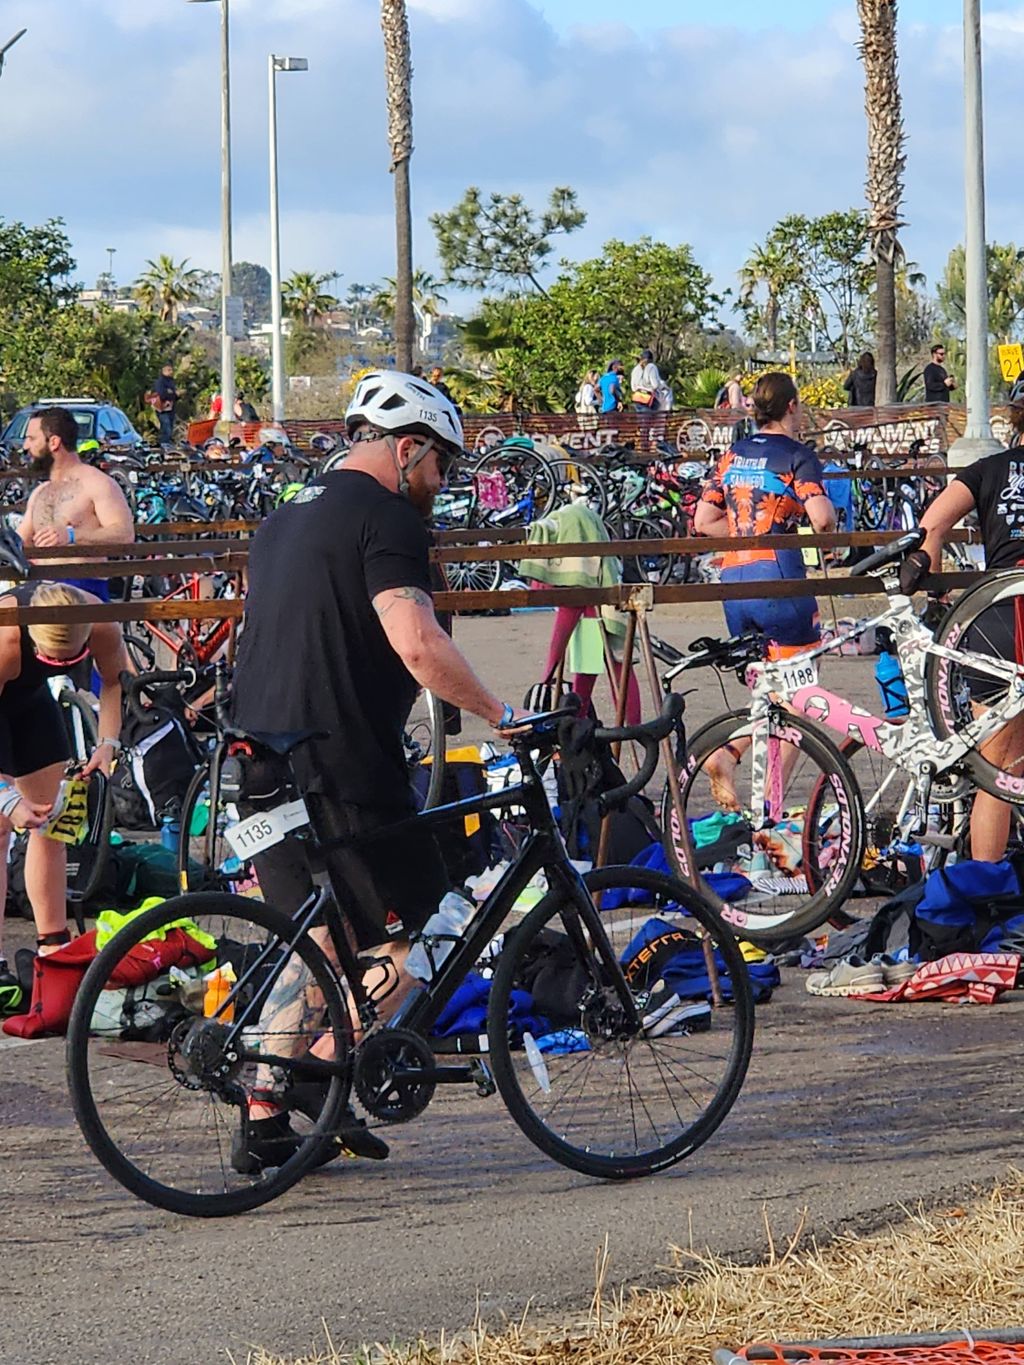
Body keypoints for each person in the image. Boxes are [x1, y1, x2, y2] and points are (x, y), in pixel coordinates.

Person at [229, 370, 524, 1170]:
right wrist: (504, 712)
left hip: (255, 750)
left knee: (313, 944)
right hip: (340, 760)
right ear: (408, 447)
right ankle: (326, 1075)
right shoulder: (389, 516)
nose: (443, 484)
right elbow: (418, 641)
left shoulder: (285, 514)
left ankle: (268, 1115)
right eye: (442, 467)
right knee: (419, 929)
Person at [693, 373, 837, 802]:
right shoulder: (797, 455)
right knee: (800, 695)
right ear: (791, 406)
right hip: (779, 578)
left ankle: (732, 752)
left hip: (734, 581)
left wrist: (746, 537)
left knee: (772, 689)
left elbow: (703, 522)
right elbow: (823, 518)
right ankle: (769, 805)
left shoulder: (732, 454)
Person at [0, 583, 129, 1008]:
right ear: (35, 640)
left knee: (50, 819)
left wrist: (107, 745)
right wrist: (6, 800)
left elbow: (114, 683)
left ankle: (52, 946)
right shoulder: (6, 637)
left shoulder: (100, 621)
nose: (62, 666)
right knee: (0, 830)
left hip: (30, 700)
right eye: (53, 660)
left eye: (71, 661)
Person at [907, 401, 1024, 861]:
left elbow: (930, 527)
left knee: (994, 771)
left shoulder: (989, 468)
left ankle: (984, 891)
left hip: (992, 614)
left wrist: (938, 598)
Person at [19, 406, 134, 602]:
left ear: (54, 442)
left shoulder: (96, 483)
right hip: (40, 588)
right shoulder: (40, 492)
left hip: (82, 591)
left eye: (31, 438)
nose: (25, 446)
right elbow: (20, 540)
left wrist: (72, 535)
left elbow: (124, 533)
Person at [631, 348, 662, 450]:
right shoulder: (651, 367)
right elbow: (655, 384)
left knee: (641, 424)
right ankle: (646, 447)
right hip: (648, 399)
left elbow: (633, 387)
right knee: (648, 425)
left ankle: (640, 446)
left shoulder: (635, 369)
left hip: (637, 398)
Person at [151, 363, 178, 446]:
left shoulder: (171, 381)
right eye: (168, 370)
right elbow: (162, 394)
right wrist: (172, 393)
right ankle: (164, 446)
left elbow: (173, 395)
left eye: (171, 370)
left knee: (169, 429)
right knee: (166, 430)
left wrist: (174, 394)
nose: (171, 372)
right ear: (163, 371)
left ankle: (166, 446)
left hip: (171, 409)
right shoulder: (160, 382)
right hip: (162, 410)